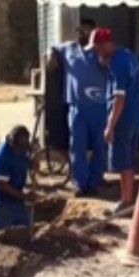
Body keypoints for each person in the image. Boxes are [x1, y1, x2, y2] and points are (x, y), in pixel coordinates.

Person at [47, 19, 107, 197]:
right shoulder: (69, 49)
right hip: (77, 108)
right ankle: (80, 184)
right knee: (77, 147)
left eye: (87, 30)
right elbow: (53, 48)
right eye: (80, 30)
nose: (82, 33)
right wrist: (50, 54)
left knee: (99, 147)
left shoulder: (100, 51)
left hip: (99, 107)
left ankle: (94, 183)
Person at [88, 28, 139, 214]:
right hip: (135, 115)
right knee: (129, 160)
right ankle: (128, 199)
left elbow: (119, 98)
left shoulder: (118, 63)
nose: (97, 53)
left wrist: (110, 126)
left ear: (106, 44)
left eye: (97, 48)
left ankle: (126, 201)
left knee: (122, 161)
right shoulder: (129, 56)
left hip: (123, 118)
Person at [0, 125, 38, 231]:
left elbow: (24, 159)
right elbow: (2, 185)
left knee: (25, 232)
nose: (21, 152)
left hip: (16, 199)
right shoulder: (2, 156)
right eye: (19, 150)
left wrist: (31, 164)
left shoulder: (21, 150)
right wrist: (25, 196)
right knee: (1, 234)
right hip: (0, 199)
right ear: (12, 144)